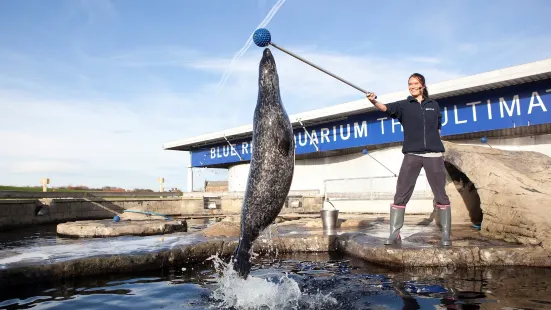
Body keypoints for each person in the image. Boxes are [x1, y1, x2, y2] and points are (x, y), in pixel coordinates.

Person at [366, 73, 451, 246]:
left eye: (415, 83)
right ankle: (394, 233)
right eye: (409, 84)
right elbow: (385, 108)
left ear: (423, 86)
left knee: (441, 194)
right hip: (412, 154)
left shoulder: (433, 105)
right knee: (401, 192)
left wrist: (437, 145)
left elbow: (438, 128)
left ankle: (446, 235)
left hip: (433, 155)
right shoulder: (404, 105)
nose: (412, 86)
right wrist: (373, 100)